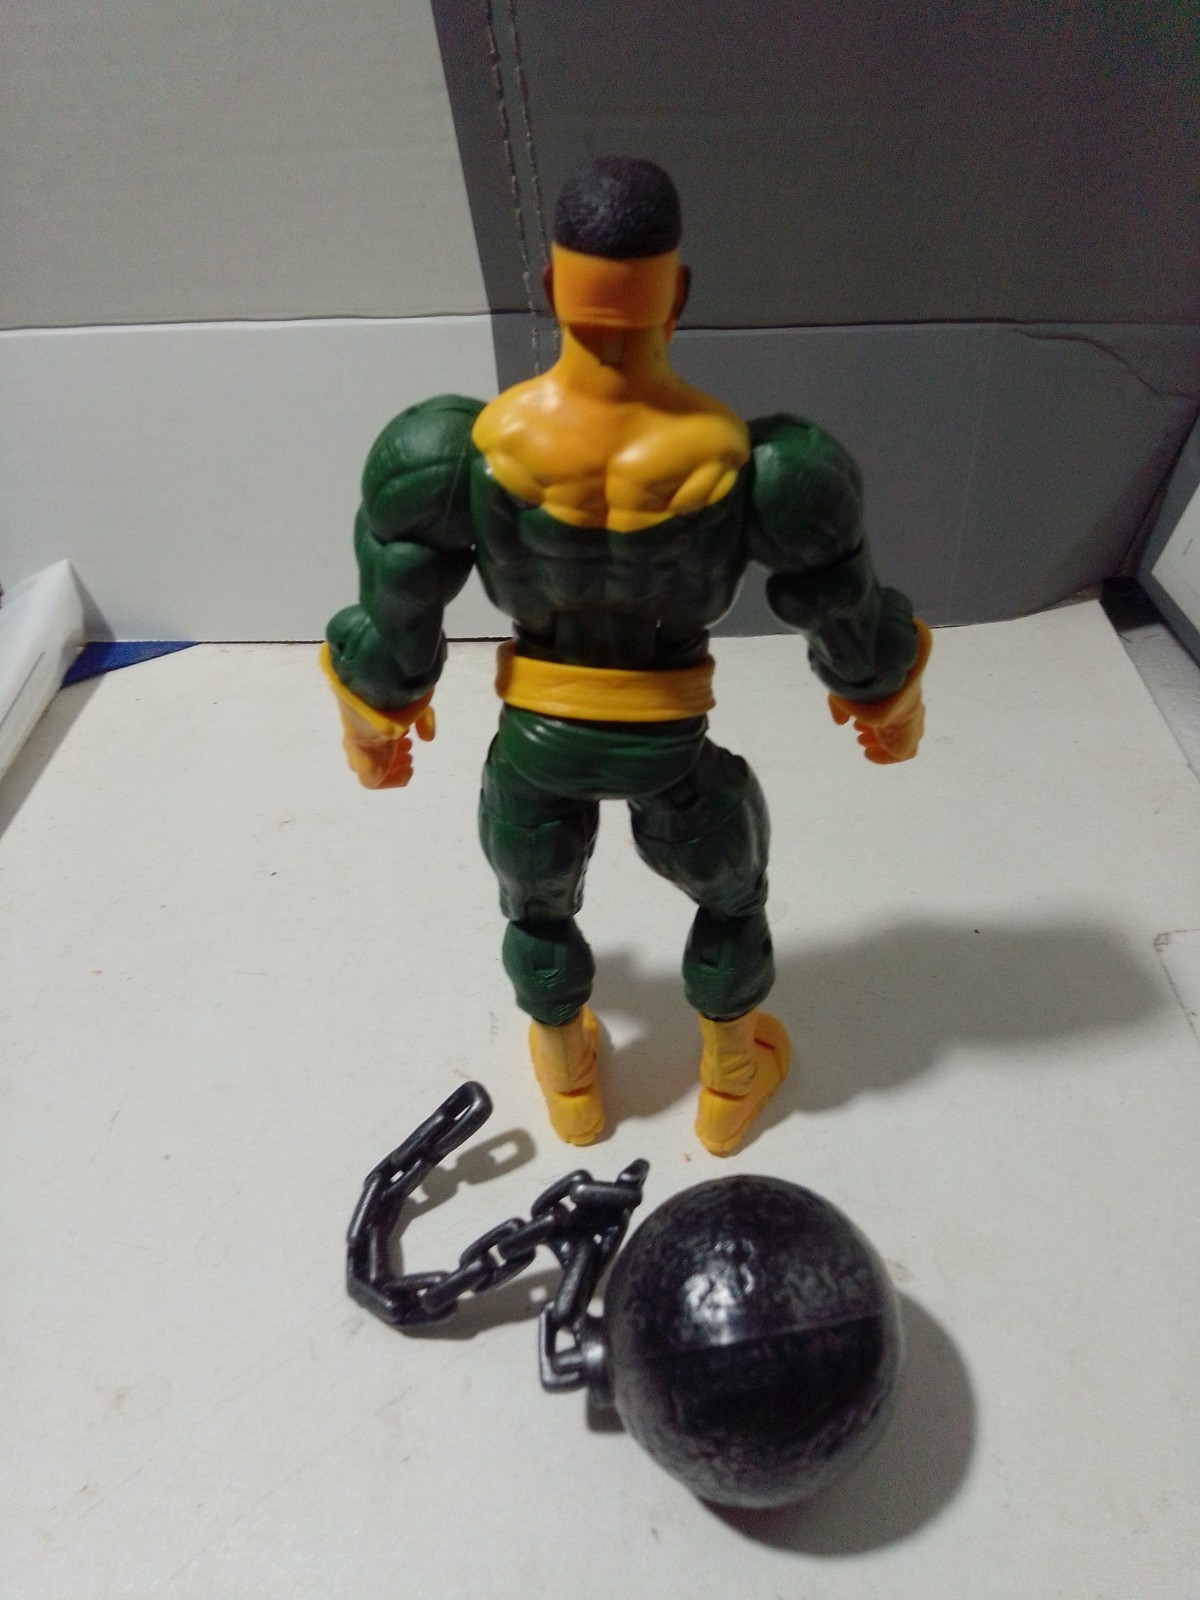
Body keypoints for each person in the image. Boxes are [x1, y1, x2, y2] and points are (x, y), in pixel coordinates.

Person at [322, 157, 930, 1154]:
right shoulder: (758, 467)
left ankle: (570, 1083)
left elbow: (394, 632)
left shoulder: (453, 453)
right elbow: (852, 629)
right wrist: (888, 707)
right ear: (677, 294)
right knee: (733, 898)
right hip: (671, 752)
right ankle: (730, 1080)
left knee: (536, 912)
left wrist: (374, 725)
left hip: (535, 749)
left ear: (551, 289)